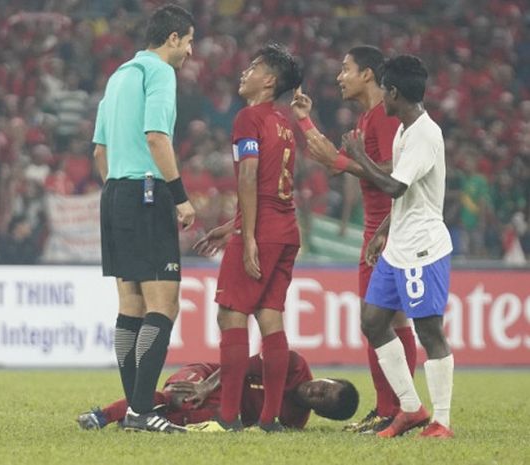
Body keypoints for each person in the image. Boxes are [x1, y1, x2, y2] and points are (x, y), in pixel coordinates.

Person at [291, 46, 417, 433]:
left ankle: (392, 407)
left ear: (367, 74)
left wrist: (352, 160)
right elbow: (333, 162)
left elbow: (399, 170)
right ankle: (394, 407)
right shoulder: (366, 119)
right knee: (387, 320)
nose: (339, 76)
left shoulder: (386, 117)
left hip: (390, 229)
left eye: (345, 69)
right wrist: (306, 121)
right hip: (375, 230)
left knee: (380, 321)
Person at [92, 4, 196, 433]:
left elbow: (99, 151)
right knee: (164, 304)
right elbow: (156, 136)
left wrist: (121, 191)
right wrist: (180, 198)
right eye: (188, 41)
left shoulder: (118, 76)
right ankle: (139, 410)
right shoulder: (160, 73)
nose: (190, 50)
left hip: (114, 190)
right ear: (172, 38)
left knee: (130, 305)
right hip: (147, 192)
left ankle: (136, 409)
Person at [339, 55, 454, 439]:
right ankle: (410, 409)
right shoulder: (405, 129)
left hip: (423, 248)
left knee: (429, 331)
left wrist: (359, 157)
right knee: (372, 321)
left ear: (393, 92)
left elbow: (395, 186)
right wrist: (383, 230)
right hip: (398, 244)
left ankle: (442, 421)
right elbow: (407, 194)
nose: (382, 100)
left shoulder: (423, 133)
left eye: (385, 92)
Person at [192, 43, 303, 432]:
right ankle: (270, 419)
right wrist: (235, 225)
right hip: (287, 228)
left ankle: (227, 419)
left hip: (264, 230)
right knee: (270, 316)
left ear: (269, 80)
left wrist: (249, 236)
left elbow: (249, 175)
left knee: (231, 314)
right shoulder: (284, 122)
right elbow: (273, 180)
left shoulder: (248, 117)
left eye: (254, 67)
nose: (245, 72)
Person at [77, 350, 359, 431]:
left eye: (322, 399)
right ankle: (102, 416)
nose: (315, 391)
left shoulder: (294, 421)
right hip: (207, 375)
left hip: (220, 405)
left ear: (321, 411)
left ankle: (139, 420)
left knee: (213, 421)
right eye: (323, 386)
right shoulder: (294, 364)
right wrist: (205, 385)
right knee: (178, 397)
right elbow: (237, 363)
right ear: (327, 377)